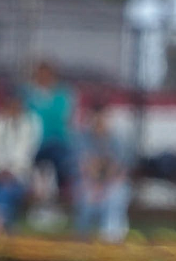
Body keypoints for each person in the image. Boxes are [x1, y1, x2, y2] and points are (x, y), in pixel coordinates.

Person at [0, 86, 42, 231]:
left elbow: (27, 154)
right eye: (10, 103)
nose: (13, 107)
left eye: (17, 103)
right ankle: (5, 229)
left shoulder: (30, 124)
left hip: (20, 175)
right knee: (1, 188)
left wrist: (11, 171)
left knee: (6, 189)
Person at [74, 100, 132, 242]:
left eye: (103, 118)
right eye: (96, 118)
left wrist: (105, 180)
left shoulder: (117, 141)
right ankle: (83, 242)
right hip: (89, 184)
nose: (100, 122)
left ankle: (110, 241)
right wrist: (97, 184)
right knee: (86, 196)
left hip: (112, 184)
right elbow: (86, 167)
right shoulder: (82, 139)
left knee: (117, 194)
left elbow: (119, 170)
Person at [22, 59, 77, 202]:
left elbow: (61, 117)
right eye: (40, 74)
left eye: (47, 74)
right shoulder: (28, 93)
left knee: (63, 161)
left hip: (56, 142)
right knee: (22, 161)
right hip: (32, 143)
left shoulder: (63, 94)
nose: (43, 77)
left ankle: (62, 196)